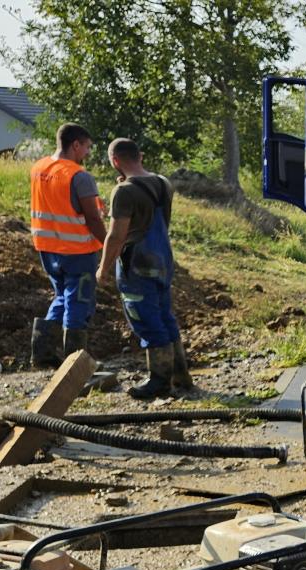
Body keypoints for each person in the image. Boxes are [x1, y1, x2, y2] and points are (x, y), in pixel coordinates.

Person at [96, 138, 192, 398]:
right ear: (140, 156)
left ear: (115, 161)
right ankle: (180, 377)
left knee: (146, 320)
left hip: (137, 263)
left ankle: (159, 382)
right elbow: (150, 212)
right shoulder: (163, 183)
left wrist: (103, 269)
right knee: (164, 316)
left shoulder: (124, 191)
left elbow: (116, 236)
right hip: (162, 258)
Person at [29, 123, 107, 367]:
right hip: (77, 250)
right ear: (75, 145)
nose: (87, 153)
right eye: (86, 147)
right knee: (78, 301)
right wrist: (109, 243)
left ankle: (42, 354)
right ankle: (75, 364)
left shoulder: (39, 167)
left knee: (62, 296)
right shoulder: (79, 176)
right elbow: (92, 218)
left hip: (47, 247)